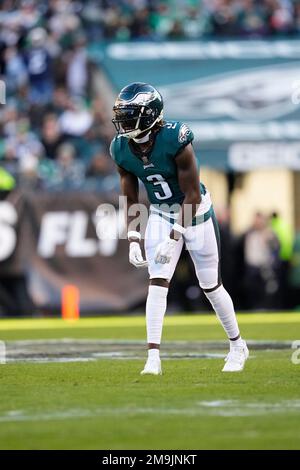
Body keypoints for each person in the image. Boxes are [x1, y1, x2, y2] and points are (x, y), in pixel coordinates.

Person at [110, 82, 248, 375]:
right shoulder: (121, 148)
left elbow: (193, 195)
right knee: (157, 281)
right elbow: (130, 194)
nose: (121, 121)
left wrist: (174, 238)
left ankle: (238, 346)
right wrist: (134, 236)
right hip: (161, 212)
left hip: (194, 212)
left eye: (129, 113)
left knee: (210, 285)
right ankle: (153, 358)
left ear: (148, 115)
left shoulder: (176, 138)